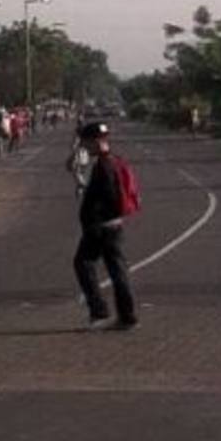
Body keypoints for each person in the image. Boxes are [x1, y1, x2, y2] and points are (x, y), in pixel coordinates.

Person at [73, 122, 137, 330]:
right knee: (117, 269)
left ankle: (99, 311)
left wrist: (95, 218)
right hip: (113, 225)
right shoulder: (114, 161)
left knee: (84, 264)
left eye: (85, 142)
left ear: (93, 141)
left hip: (102, 226)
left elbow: (108, 196)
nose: (84, 146)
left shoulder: (103, 166)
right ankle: (127, 316)